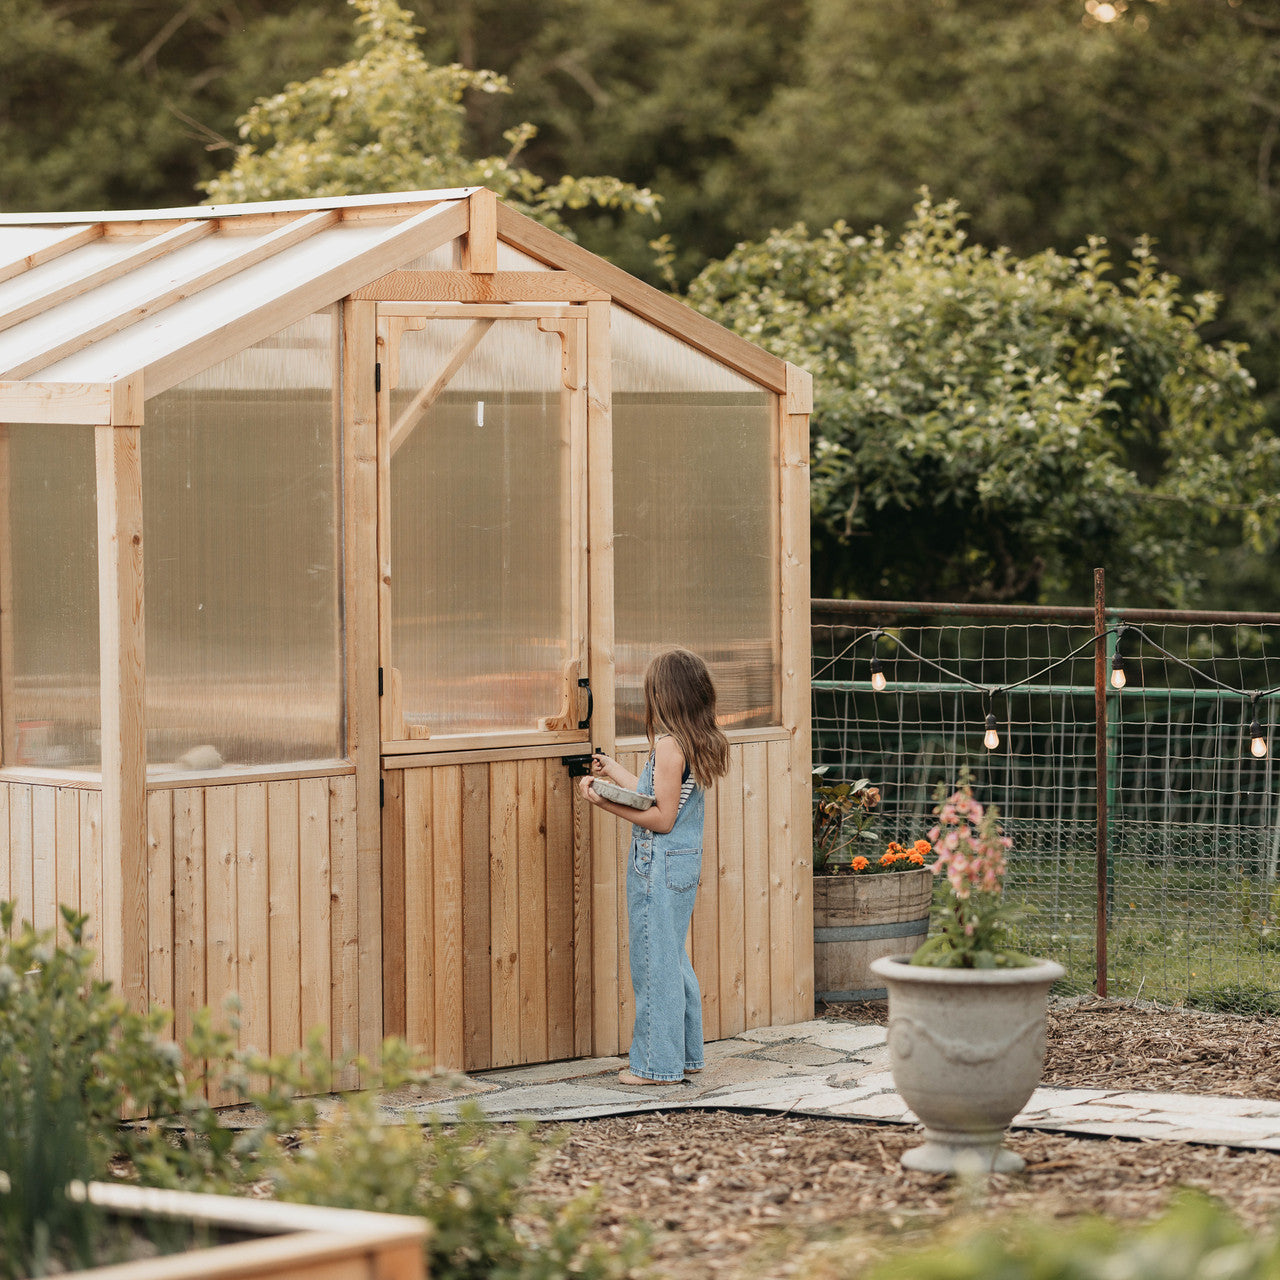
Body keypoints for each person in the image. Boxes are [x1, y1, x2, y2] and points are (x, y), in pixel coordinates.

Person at [579, 648, 730, 1084]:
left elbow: (660, 819)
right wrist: (615, 774)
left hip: (657, 866)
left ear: (663, 695)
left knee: (653, 963)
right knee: (672, 957)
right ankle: (684, 1055)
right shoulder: (692, 742)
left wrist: (602, 801)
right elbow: (656, 795)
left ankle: (654, 1066)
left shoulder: (667, 745)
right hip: (681, 866)